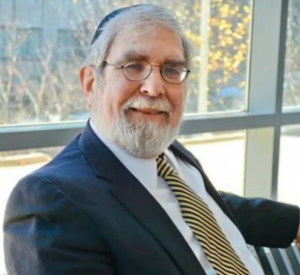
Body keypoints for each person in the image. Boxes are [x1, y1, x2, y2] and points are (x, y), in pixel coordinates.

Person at [4, 4, 300, 275]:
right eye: (133, 65)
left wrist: (293, 221)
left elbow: (205, 203)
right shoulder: (49, 202)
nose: (154, 87)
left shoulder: (166, 154)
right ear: (92, 83)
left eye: (171, 69)